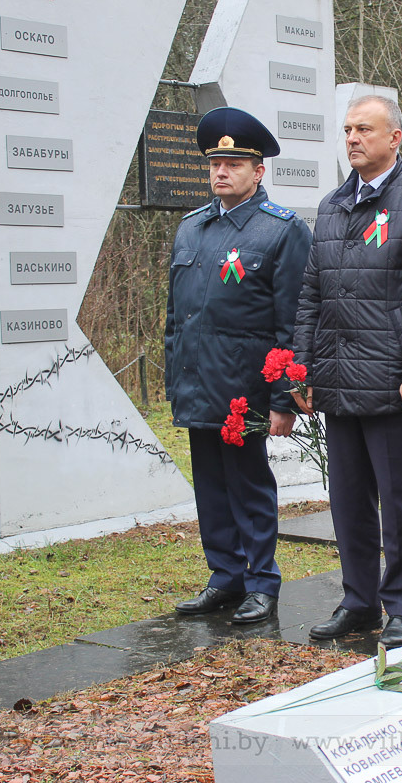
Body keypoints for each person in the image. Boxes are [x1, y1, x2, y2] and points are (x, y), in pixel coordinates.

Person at [292, 95, 402, 648]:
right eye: (347, 130)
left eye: (365, 129)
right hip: (337, 380)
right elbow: (312, 292)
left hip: (393, 384)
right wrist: (303, 368)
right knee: (348, 500)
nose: (353, 139)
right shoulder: (333, 205)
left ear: (396, 138)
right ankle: (358, 600)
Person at [165, 107, 312, 625]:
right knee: (209, 488)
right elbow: (175, 317)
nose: (221, 171)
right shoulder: (191, 229)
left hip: (245, 391)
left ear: (258, 170)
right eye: (215, 162)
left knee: (249, 487)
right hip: (198, 384)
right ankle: (224, 576)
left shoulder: (281, 232)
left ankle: (261, 582)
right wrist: (175, 378)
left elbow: (292, 322)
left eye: (234, 162)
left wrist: (282, 400)